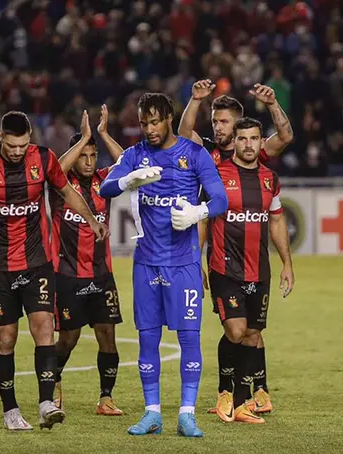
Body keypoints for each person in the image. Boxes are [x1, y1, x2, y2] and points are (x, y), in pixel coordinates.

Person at [0, 111, 107, 431]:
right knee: (5, 339)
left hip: (37, 263)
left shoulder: (43, 159)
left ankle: (46, 402)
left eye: (22, 145)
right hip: (0, 267)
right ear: (0, 138)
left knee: (44, 328)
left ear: (30, 137)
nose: (17, 152)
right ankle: (10, 410)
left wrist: (91, 219)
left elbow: (67, 192)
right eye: (11, 146)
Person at [99, 92, 228, 438]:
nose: (149, 129)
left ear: (169, 118)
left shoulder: (194, 154)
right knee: (147, 340)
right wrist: (129, 180)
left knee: (189, 338)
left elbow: (221, 198)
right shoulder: (135, 155)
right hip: (146, 264)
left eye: (154, 121)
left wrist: (198, 212)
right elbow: (104, 188)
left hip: (184, 263)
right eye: (143, 123)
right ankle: (152, 412)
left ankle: (187, 414)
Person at [178, 80, 293, 417]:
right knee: (238, 329)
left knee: (252, 333)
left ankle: (256, 391)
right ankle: (230, 393)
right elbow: (185, 133)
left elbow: (284, 136)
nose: (219, 127)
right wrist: (195, 101)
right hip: (224, 260)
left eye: (225, 121)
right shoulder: (210, 160)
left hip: (257, 264)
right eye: (215, 121)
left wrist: (272, 103)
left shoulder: (263, 166)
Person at [206, 118, 295, 424]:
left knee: (253, 334)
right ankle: (224, 391)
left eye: (254, 139)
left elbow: (277, 220)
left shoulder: (270, 179)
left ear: (260, 142)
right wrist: (195, 260)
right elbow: (204, 219)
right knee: (236, 330)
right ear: (235, 141)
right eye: (242, 139)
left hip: (260, 270)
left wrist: (287, 263)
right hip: (224, 268)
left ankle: (242, 402)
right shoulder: (217, 175)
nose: (248, 144)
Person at [51, 106, 126, 416]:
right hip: (67, 274)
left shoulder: (103, 182)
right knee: (68, 339)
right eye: (83, 155)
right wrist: (82, 138)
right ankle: (52, 384)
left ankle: (106, 397)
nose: (89, 161)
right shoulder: (60, 187)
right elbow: (54, 168)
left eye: (93, 156)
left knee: (107, 336)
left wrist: (103, 134)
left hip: (101, 274)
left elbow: (128, 162)